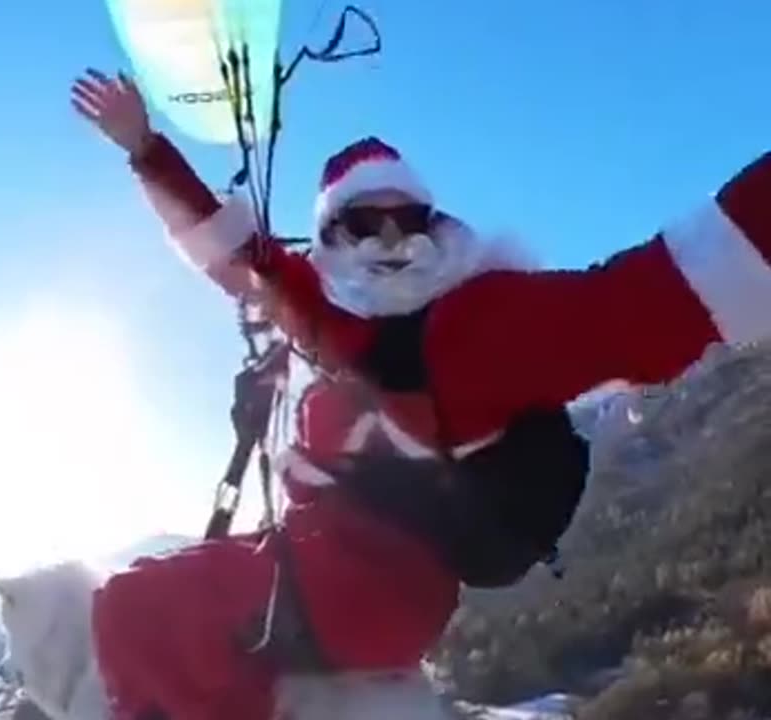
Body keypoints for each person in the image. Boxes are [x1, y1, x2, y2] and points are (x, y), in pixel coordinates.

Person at [70, 67, 771, 720]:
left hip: (375, 589)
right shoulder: (321, 313)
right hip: (313, 561)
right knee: (152, 586)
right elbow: (239, 254)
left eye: (409, 219)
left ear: (435, 224)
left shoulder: (482, 321)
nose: (392, 239)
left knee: (131, 612)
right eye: (364, 222)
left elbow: (641, 303)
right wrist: (146, 148)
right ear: (328, 237)